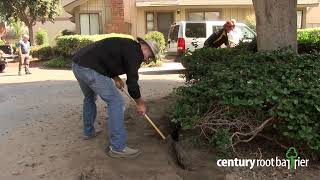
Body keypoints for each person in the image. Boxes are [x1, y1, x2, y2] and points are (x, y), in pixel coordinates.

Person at [72, 35, 159, 158]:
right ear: (146, 48)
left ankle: (89, 132)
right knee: (116, 102)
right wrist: (140, 103)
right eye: (149, 56)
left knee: (90, 97)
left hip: (78, 65)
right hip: (90, 69)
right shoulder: (136, 54)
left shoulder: (128, 45)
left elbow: (107, 59)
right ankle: (118, 147)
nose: (147, 60)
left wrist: (116, 77)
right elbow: (132, 83)